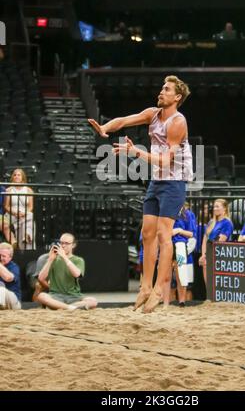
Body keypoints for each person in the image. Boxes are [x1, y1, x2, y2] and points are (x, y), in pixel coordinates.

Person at [88, 75, 192, 313]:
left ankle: (158, 289)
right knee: (147, 233)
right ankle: (145, 287)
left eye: (166, 89)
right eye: (162, 87)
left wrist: (135, 152)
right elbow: (124, 121)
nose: (161, 91)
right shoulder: (152, 113)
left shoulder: (177, 122)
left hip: (175, 181)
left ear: (177, 97)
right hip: (157, 181)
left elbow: (167, 161)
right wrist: (105, 128)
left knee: (165, 235)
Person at [36, 233, 98, 311]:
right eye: (61, 243)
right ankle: (69, 307)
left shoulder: (78, 260)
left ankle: (63, 306)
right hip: (56, 295)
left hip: (74, 296)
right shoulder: (53, 259)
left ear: (73, 245)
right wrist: (50, 260)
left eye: (67, 243)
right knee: (42, 296)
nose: (63, 246)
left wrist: (64, 257)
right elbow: (41, 278)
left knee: (93, 301)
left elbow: (77, 274)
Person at [199, 199, 233, 285]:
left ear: (224, 208)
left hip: (219, 257)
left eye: (217, 206)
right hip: (207, 256)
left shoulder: (227, 223)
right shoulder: (211, 222)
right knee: (208, 284)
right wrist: (203, 255)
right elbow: (205, 240)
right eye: (214, 206)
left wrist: (207, 256)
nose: (214, 209)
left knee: (216, 284)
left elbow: (220, 241)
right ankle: (209, 298)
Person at [4, 168, 35, 250]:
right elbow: (6, 206)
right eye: (15, 175)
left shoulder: (29, 190)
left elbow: (31, 207)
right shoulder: (8, 190)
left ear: (22, 177)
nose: (17, 176)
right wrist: (15, 213)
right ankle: (27, 237)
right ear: (12, 177)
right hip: (12, 214)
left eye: (19, 175)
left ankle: (26, 237)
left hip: (25, 213)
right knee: (29, 218)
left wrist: (24, 213)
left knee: (30, 215)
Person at [0, 242, 21, 309]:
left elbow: (8, 278)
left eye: (3, 256)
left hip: (13, 302)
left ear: (10, 257)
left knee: (1, 287)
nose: (1, 258)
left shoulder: (14, 267)